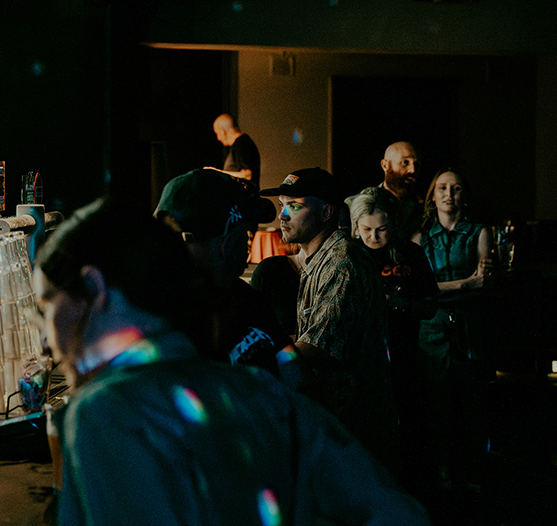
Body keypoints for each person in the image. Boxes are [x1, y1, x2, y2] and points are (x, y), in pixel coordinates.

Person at [34, 198, 431, 526]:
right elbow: (399, 513)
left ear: (94, 289)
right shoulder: (263, 391)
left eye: (47, 305)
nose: (47, 337)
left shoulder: (104, 412)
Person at [259, 167, 398, 469]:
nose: (283, 215)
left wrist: (257, 363)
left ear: (325, 212)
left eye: (294, 206)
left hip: (353, 432)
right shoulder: (319, 259)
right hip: (337, 427)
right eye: (282, 205)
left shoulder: (342, 262)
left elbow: (318, 346)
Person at [153, 167, 290, 374]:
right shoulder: (161, 322)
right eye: (246, 233)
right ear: (229, 243)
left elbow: (296, 372)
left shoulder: (249, 300)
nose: (247, 244)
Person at [348, 186, 439, 492]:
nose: (374, 237)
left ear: (394, 225)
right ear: (356, 226)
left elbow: (430, 306)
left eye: (382, 229)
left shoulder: (411, 253)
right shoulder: (350, 253)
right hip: (361, 362)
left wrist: (402, 303)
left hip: (404, 357)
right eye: (366, 230)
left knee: (409, 434)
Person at [414, 167, 493, 487]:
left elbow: (483, 283)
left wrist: (443, 288)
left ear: (465, 195)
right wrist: (464, 283)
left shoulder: (479, 232)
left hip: (469, 327)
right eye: (443, 188)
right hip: (431, 330)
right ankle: (441, 472)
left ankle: (473, 473)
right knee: (436, 403)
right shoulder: (419, 238)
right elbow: (420, 290)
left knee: (473, 402)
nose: (449, 194)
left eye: (456, 188)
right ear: (432, 196)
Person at [378, 141, 424, 240]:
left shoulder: (423, 206)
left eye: (416, 164)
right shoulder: (365, 202)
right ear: (385, 165)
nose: (412, 170)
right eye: (405, 162)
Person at [213, 113, 260, 187]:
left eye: (217, 133)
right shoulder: (240, 144)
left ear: (222, 131)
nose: (218, 138)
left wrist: (217, 173)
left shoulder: (242, 144)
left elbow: (247, 175)